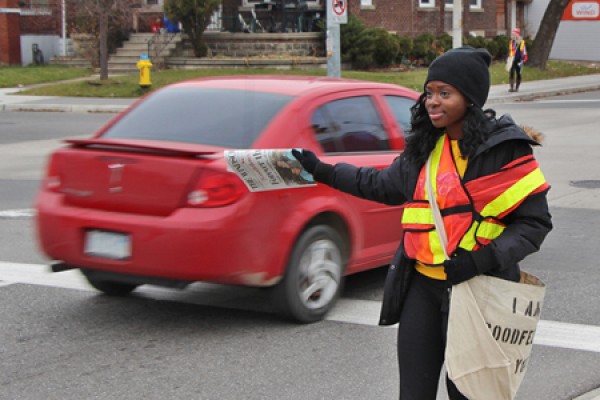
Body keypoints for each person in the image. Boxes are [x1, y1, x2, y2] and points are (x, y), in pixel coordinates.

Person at [292, 46, 552, 400]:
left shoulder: (506, 151)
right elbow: (380, 185)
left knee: (469, 394)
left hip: (479, 293)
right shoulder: (426, 149)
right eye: (429, 92)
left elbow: (534, 224)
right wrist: (322, 170)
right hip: (422, 291)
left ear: (470, 99)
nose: (432, 101)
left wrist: (481, 260)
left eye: (445, 93)